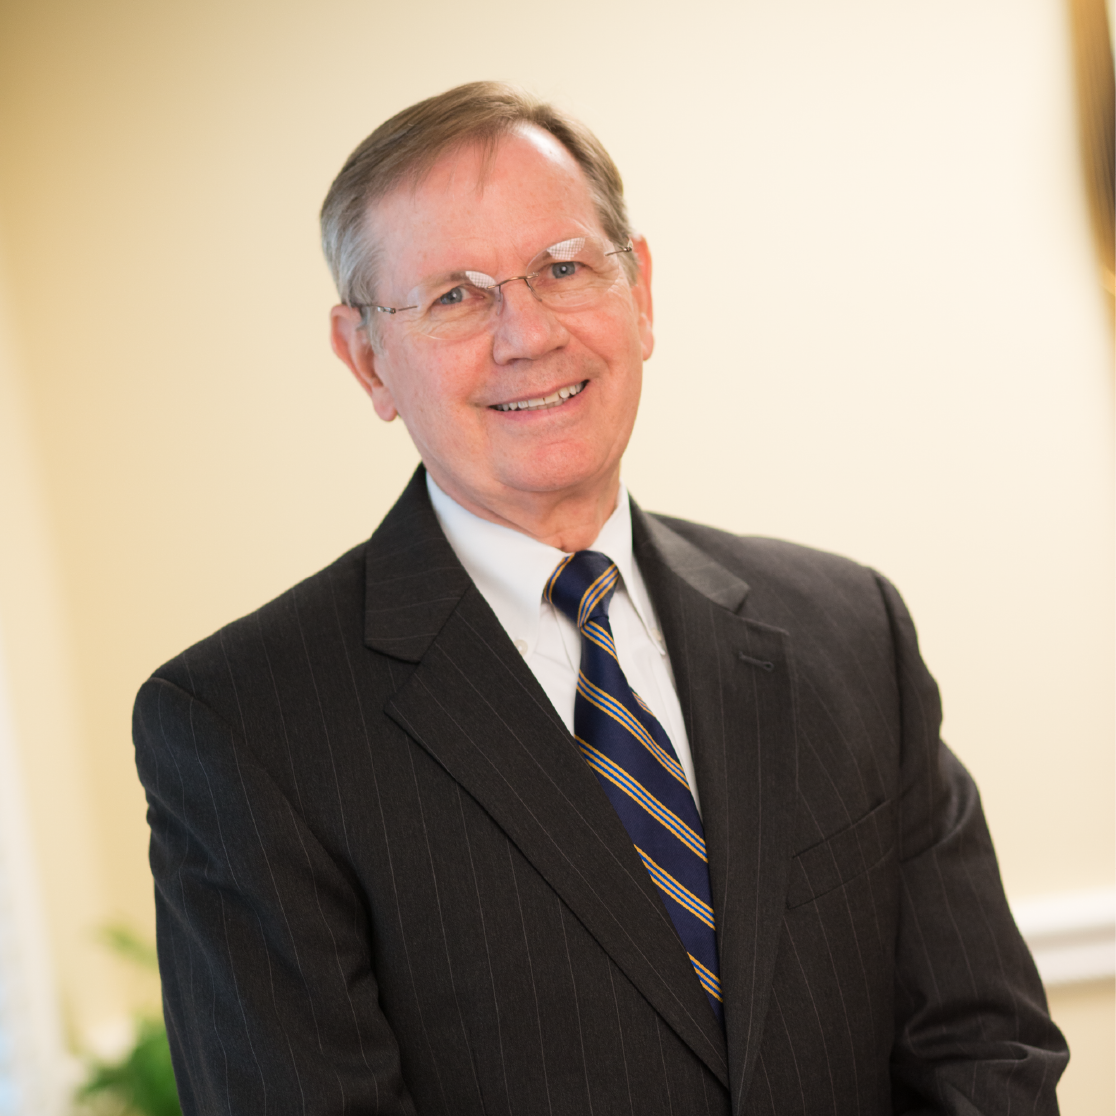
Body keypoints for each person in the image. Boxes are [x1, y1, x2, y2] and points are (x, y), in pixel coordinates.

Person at [132, 81, 1067, 1115]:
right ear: (367, 359)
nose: (525, 333)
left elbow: (987, 1048)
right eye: (453, 295)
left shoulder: (850, 629)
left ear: (642, 294)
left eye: (563, 268)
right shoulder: (244, 724)